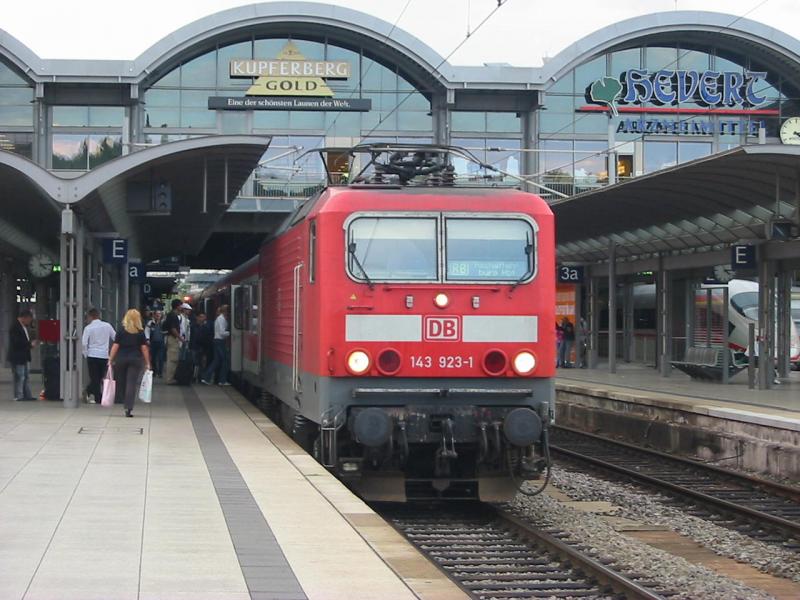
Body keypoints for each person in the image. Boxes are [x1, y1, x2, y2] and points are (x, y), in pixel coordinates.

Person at [108, 309, 151, 417]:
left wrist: (110, 359)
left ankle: (122, 398)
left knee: (121, 382)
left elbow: (115, 346)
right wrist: (147, 363)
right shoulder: (140, 332)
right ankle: (128, 407)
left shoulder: (121, 331)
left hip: (121, 359)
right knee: (131, 383)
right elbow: (144, 348)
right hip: (135, 359)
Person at [81, 308, 116, 403]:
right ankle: (94, 394)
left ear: (90, 317)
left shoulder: (88, 328)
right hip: (104, 355)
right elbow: (115, 337)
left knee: (94, 377)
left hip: (92, 355)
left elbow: (84, 343)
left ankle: (94, 394)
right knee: (101, 377)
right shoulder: (107, 326)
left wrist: (85, 354)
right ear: (98, 315)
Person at [8, 308, 37, 401]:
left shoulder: (24, 327)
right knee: (19, 376)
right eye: (29, 319)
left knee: (26, 376)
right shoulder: (15, 327)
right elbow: (16, 342)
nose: (30, 322)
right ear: (25, 318)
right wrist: (29, 344)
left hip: (24, 355)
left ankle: (27, 395)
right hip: (18, 356)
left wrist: (30, 345)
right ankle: (18, 395)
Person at [202, 305, 230, 386]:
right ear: (225, 311)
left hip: (218, 341)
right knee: (224, 360)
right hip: (219, 341)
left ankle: (206, 378)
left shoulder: (220, 319)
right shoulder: (221, 319)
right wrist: (229, 333)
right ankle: (222, 380)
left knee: (217, 361)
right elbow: (221, 332)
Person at [163, 299, 183, 384]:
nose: (181, 307)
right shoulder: (173, 316)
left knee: (173, 358)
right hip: (172, 339)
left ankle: (170, 378)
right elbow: (173, 328)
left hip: (171, 338)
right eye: (181, 305)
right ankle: (169, 379)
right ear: (177, 306)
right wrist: (180, 338)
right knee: (172, 359)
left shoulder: (171, 315)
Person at [191, 313, 213, 381]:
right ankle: (194, 377)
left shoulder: (206, 327)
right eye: (200, 317)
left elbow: (208, 338)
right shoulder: (193, 326)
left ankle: (200, 377)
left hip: (202, 348)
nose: (201, 318)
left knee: (202, 363)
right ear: (197, 317)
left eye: (203, 317)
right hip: (195, 347)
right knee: (195, 363)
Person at [145, 311, 165, 377]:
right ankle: (154, 371)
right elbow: (147, 331)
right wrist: (147, 339)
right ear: (154, 315)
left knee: (161, 358)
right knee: (153, 357)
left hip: (161, 342)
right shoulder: (150, 323)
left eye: (159, 314)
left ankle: (160, 372)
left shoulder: (163, 323)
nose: (158, 316)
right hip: (153, 342)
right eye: (156, 314)